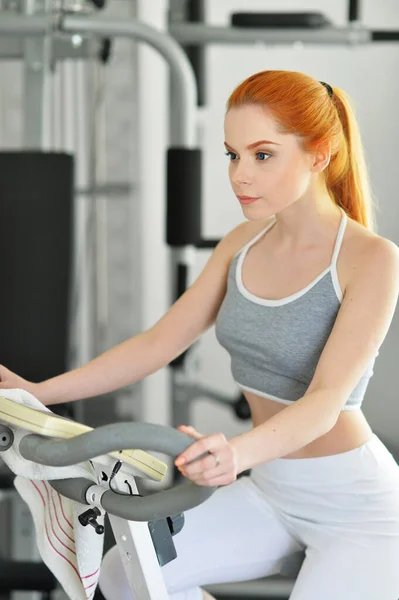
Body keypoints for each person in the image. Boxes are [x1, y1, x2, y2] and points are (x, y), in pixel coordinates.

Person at [1, 69, 399, 600]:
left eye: (262, 155)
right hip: (270, 490)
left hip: (354, 505)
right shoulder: (243, 241)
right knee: (125, 577)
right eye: (233, 155)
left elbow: (326, 400)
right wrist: (35, 392)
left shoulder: (372, 259)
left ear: (320, 153)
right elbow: (158, 343)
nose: (240, 175)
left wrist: (235, 453)